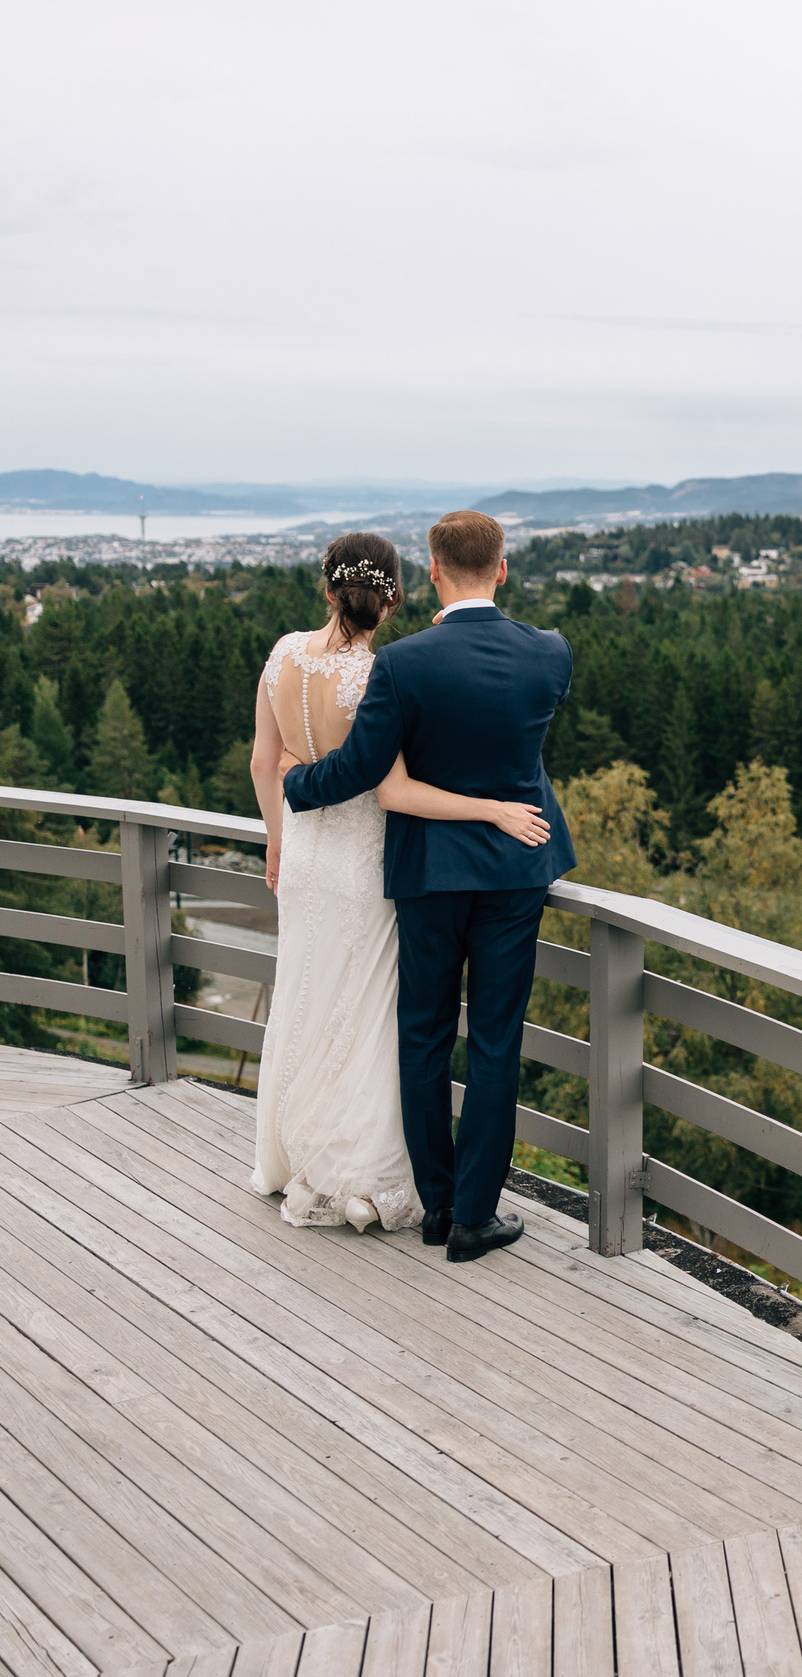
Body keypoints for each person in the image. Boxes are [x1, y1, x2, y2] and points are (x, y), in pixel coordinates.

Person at [282, 512, 577, 1262]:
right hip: (516, 870)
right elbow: (517, 743)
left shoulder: (404, 664)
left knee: (423, 1036)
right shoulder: (550, 653)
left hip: (429, 874)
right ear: (503, 570)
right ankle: (478, 1216)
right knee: (496, 1043)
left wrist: (295, 785)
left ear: (436, 570)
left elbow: (359, 771)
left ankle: (438, 1208)